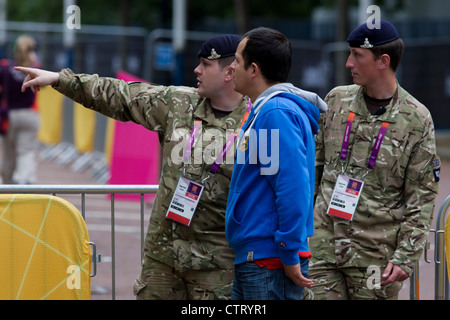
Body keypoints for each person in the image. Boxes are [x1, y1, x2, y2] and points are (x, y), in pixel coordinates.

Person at [18, 33, 326, 300]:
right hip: (164, 260)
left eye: (206, 64)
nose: (196, 70)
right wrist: (61, 79)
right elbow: (120, 95)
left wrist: (289, 248)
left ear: (231, 71)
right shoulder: (178, 103)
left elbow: (289, 185)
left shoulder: (260, 118)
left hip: (219, 265)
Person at [309, 20, 441, 300]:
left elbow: (421, 194)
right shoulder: (336, 101)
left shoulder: (416, 118)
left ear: (383, 61)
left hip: (376, 257)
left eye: (357, 55)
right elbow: (314, 170)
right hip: (323, 248)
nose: (348, 63)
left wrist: (406, 255)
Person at [225, 27, 327, 300]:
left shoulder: (275, 112)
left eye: (236, 60)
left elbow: (292, 186)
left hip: (269, 260)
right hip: (261, 257)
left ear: (254, 69)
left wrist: (288, 249)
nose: (231, 66)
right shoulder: (268, 109)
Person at [1, 35, 40, 184]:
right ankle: (23, 180)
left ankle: (7, 184)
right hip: (29, 114)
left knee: (9, 152)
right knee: (26, 150)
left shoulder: (5, 68)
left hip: (9, 115)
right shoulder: (35, 69)